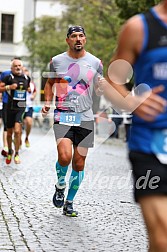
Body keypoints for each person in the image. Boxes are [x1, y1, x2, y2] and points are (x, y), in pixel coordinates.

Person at [100, 1, 167, 251]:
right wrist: (131, 101)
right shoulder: (139, 27)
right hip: (151, 146)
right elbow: (113, 79)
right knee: (162, 239)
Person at [42, 25, 103, 217]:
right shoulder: (57, 61)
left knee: (79, 163)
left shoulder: (95, 62)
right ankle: (60, 185)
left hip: (85, 116)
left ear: (85, 39)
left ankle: (69, 202)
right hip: (63, 114)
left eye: (81, 36)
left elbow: (99, 88)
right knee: (65, 157)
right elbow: (50, 83)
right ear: (68, 40)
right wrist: (47, 102)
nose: (78, 39)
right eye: (74, 36)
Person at [0, 59, 31, 164]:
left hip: (21, 107)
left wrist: (29, 90)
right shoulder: (8, 77)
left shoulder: (27, 78)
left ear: (22, 67)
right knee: (9, 133)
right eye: (15, 66)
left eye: (19, 66)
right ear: (11, 68)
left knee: (17, 131)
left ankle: (17, 153)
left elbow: (28, 88)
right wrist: (9, 87)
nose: (18, 67)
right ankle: (10, 151)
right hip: (9, 107)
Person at [22, 67, 37, 147]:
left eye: (27, 71)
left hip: (29, 105)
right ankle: (19, 140)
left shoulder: (32, 84)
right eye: (24, 71)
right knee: (19, 125)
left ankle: (27, 137)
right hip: (20, 106)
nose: (25, 72)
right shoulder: (19, 82)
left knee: (29, 122)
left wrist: (33, 96)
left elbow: (35, 91)